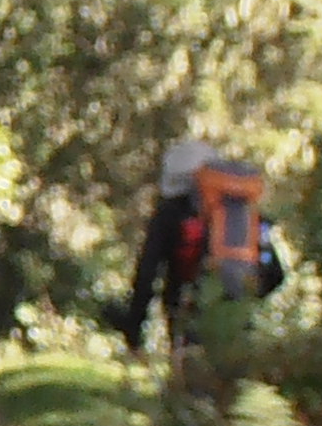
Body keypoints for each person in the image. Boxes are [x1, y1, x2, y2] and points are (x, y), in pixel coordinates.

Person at [111, 136, 287, 352]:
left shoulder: (170, 213)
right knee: (224, 378)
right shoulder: (246, 214)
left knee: (190, 376)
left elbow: (147, 272)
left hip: (187, 310)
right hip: (237, 316)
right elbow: (275, 274)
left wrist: (134, 327)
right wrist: (242, 296)